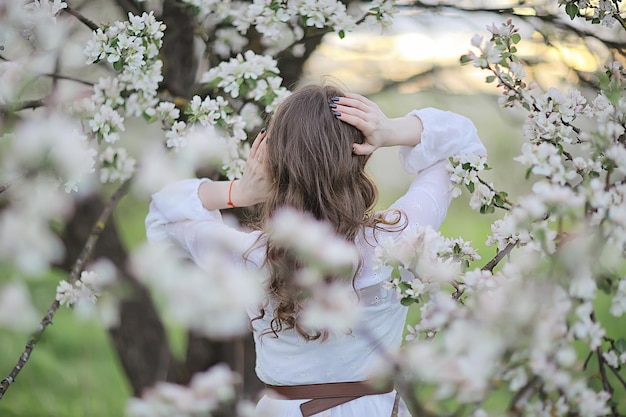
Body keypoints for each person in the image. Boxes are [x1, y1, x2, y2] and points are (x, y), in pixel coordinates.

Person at [145, 84, 487, 417]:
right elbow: (464, 144)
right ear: (357, 156)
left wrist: (240, 191)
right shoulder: (395, 240)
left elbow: (162, 214)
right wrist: (389, 130)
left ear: (274, 164)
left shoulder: (251, 255)